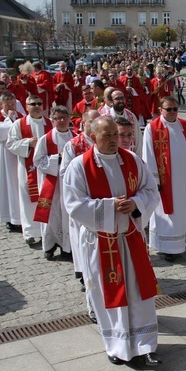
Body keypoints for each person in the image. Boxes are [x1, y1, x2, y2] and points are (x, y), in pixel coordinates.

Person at [63, 116, 163, 368]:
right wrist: (110, 207)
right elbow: (74, 205)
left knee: (140, 293)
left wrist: (136, 203)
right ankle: (117, 346)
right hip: (100, 242)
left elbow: (150, 191)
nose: (113, 140)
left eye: (116, 135)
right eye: (106, 135)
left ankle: (146, 344)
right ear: (94, 136)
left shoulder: (132, 160)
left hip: (130, 238)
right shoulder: (79, 166)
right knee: (109, 294)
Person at [141, 96, 186, 261]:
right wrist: (154, 180)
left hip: (183, 177)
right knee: (166, 211)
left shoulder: (185, 126)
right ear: (160, 110)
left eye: (175, 109)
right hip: (164, 179)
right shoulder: (152, 128)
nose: (173, 112)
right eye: (169, 109)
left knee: (181, 212)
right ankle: (167, 247)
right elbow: (148, 154)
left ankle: (178, 244)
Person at [61, 109, 101, 291]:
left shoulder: (105, 142)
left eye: (97, 121)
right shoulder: (73, 145)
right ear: (83, 123)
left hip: (103, 201)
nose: (94, 124)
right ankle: (86, 276)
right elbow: (65, 173)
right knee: (83, 241)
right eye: (91, 121)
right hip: (83, 200)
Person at [6, 94, 53, 246]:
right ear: (27, 106)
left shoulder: (50, 123)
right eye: (33, 104)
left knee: (46, 199)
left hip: (46, 169)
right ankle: (30, 233)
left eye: (39, 103)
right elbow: (11, 144)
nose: (37, 106)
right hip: (28, 169)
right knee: (27, 200)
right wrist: (27, 143)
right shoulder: (19, 124)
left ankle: (47, 231)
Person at [33, 106, 74, 259]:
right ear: (52, 120)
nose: (62, 121)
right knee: (52, 215)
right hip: (52, 184)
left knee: (68, 215)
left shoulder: (75, 137)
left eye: (64, 117)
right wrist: (58, 158)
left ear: (69, 118)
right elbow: (38, 160)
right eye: (58, 118)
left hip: (69, 184)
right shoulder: (46, 139)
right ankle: (49, 246)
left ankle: (67, 247)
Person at [0, 92, 23, 232]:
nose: (11, 107)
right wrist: (9, 120)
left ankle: (22, 217)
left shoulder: (20, 116)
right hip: (5, 157)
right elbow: (0, 133)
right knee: (8, 186)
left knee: (20, 186)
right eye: (8, 104)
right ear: (2, 105)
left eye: (13, 104)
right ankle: (9, 218)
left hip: (19, 156)